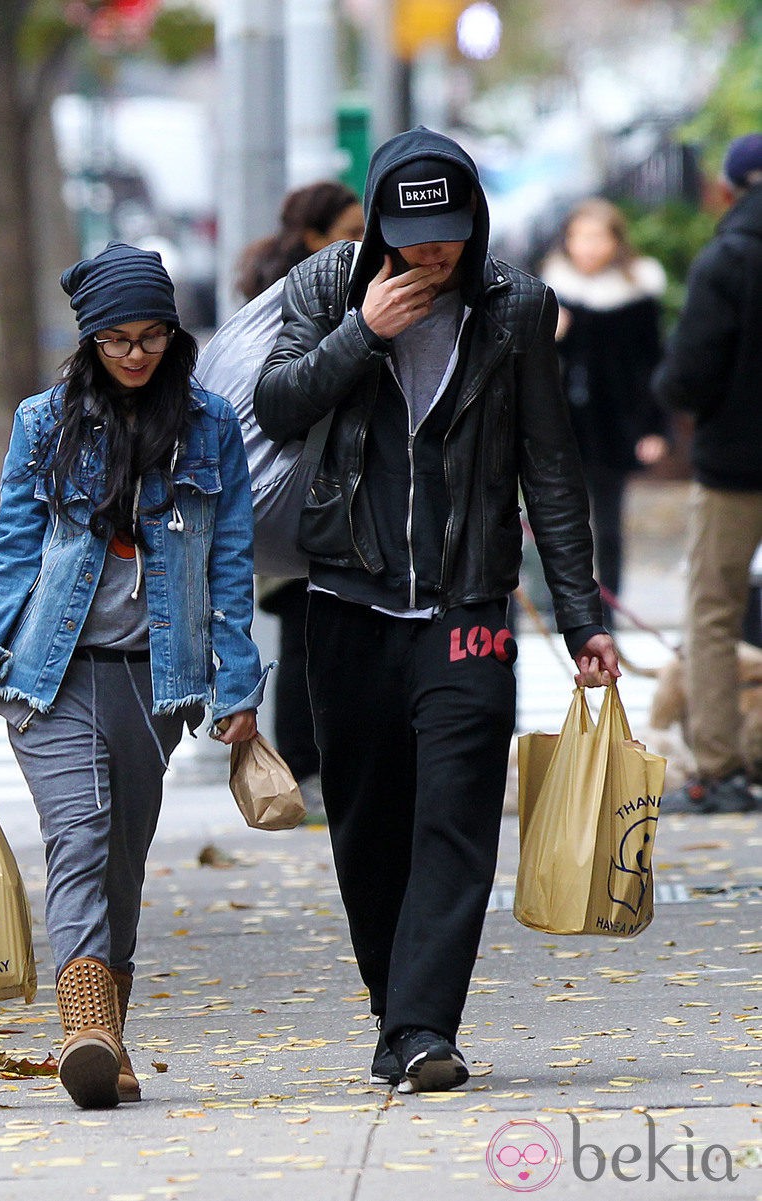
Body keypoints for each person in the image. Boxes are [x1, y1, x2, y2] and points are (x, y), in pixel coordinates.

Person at [254, 126, 618, 1094]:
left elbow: (549, 469)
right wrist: (359, 334)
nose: (434, 252)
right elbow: (277, 404)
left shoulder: (513, 310)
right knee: (367, 826)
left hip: (468, 608)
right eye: (414, 235)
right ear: (376, 224)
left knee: (455, 818)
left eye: (450, 232)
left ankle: (423, 1027)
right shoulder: (328, 288)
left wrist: (582, 620)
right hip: (345, 602)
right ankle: (394, 1010)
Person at [0, 242, 268, 1109]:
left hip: (154, 681)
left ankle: (108, 1035)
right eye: (115, 339)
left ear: (172, 334)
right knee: (79, 833)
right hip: (48, 676)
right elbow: (13, 553)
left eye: (150, 335)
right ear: (87, 342)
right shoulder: (44, 422)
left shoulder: (211, 426)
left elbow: (229, 564)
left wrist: (237, 685)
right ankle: (81, 1024)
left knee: (121, 854)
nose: (133, 354)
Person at [236, 182, 365, 807]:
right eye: (350, 231)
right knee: (306, 642)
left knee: (306, 641)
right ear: (315, 237)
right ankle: (305, 771)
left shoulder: (267, 286)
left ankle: (311, 770)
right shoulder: (304, 293)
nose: (363, 244)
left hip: (283, 494)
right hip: (297, 490)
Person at [654, 133, 762, 815]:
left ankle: (720, 770)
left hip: (736, 466)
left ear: (728, 188)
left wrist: (681, 397)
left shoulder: (727, 258)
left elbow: (687, 374)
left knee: (714, 613)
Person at [539, 198, 669, 626]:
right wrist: (552, 335)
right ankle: (568, 607)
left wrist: (655, 428)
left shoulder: (636, 290)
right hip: (563, 424)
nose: (589, 247)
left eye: (598, 237)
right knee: (563, 520)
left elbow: (652, 363)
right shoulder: (553, 291)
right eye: (580, 237)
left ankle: (608, 610)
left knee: (609, 525)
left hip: (616, 423)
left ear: (616, 241)